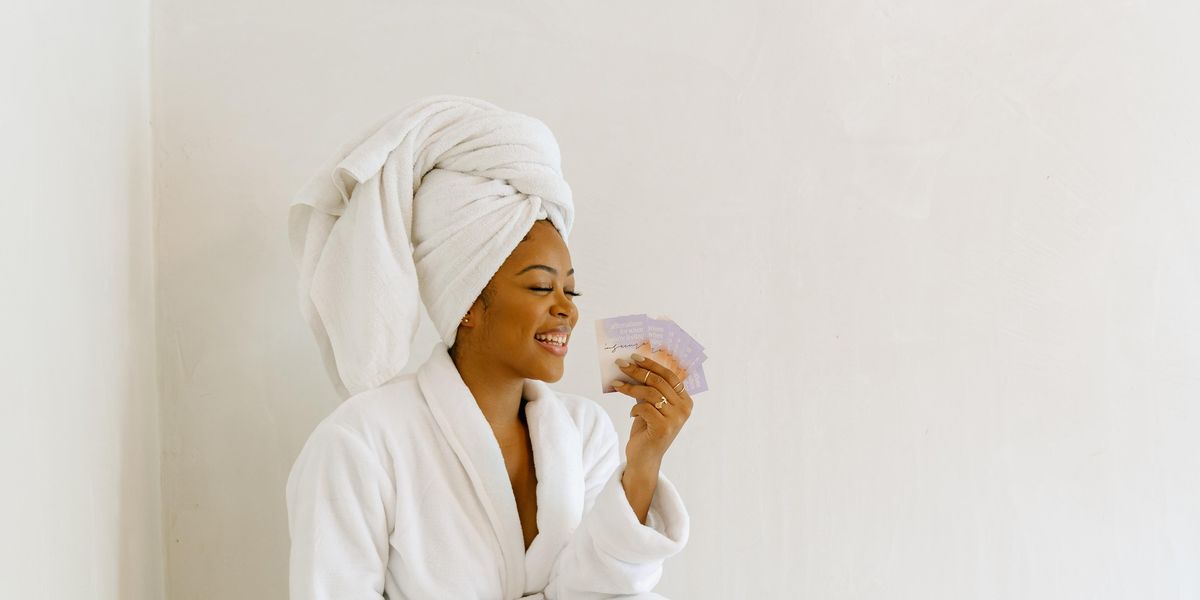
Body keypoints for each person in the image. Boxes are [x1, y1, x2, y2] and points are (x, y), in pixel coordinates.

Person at [285, 95, 693, 599]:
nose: (567, 308)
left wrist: (643, 466)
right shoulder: (361, 444)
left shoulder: (585, 434)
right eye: (542, 287)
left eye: (572, 289)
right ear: (468, 304)